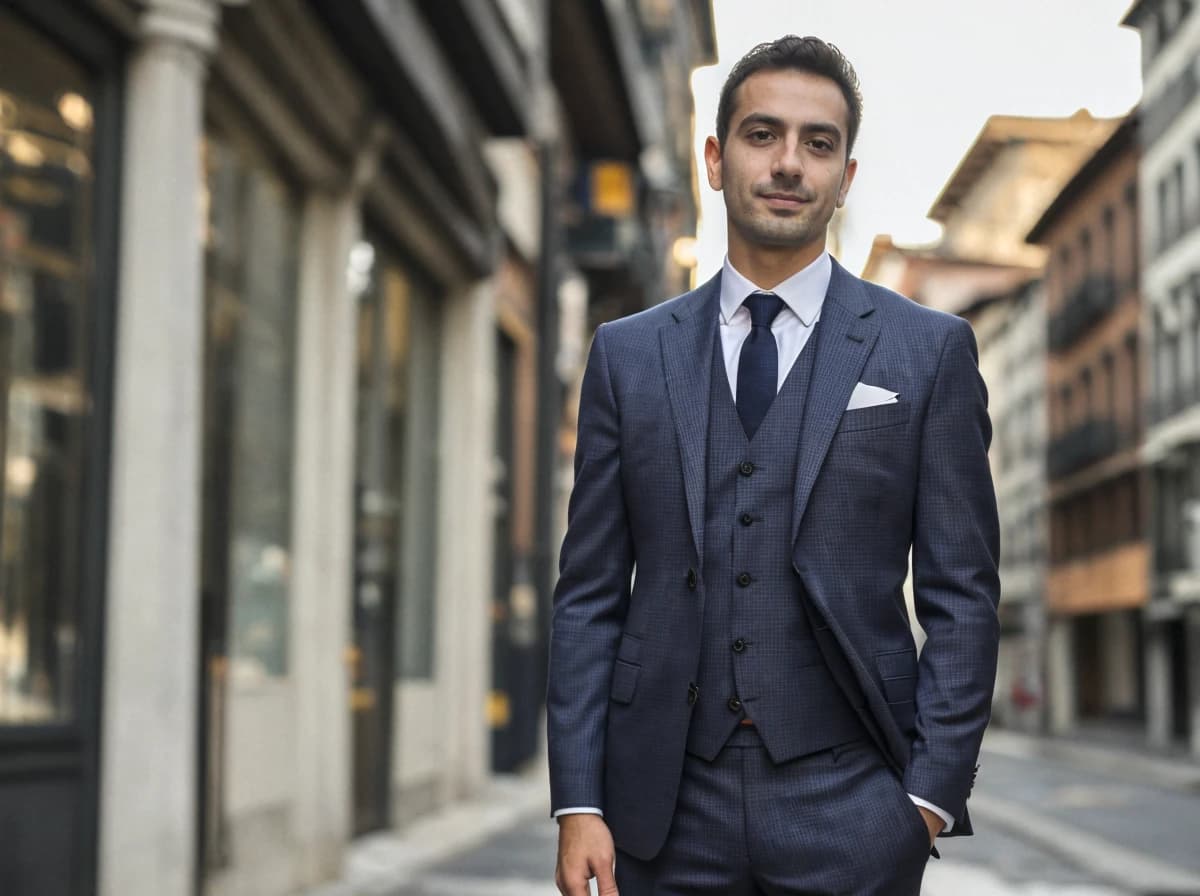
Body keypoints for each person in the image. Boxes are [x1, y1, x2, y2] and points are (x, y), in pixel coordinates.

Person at [548, 34, 1000, 896]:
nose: (789, 162)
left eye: (818, 143)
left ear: (845, 178)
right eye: (762, 135)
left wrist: (926, 800)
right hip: (660, 810)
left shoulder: (927, 352)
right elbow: (590, 598)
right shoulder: (628, 356)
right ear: (716, 160)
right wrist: (579, 801)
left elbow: (962, 591)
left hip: (854, 803)